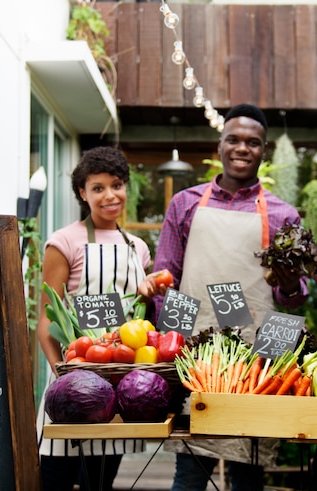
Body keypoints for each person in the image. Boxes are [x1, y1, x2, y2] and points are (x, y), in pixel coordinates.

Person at [152, 103, 309, 491]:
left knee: (249, 468)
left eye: (252, 142)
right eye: (234, 140)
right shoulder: (185, 203)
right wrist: (169, 348)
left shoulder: (282, 214)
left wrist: (290, 285)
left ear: (264, 149)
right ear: (220, 145)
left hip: (257, 352)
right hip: (199, 354)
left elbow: (292, 301)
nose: (243, 148)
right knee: (190, 472)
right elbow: (165, 281)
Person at [36, 146, 170, 491]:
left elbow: (133, 314)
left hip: (117, 383)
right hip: (74, 378)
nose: (110, 195)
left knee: (100, 481)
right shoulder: (64, 241)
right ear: (83, 193)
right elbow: (46, 319)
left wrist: (146, 291)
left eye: (116, 185)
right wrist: (61, 373)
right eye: (98, 188)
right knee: (55, 477)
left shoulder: (137, 247)